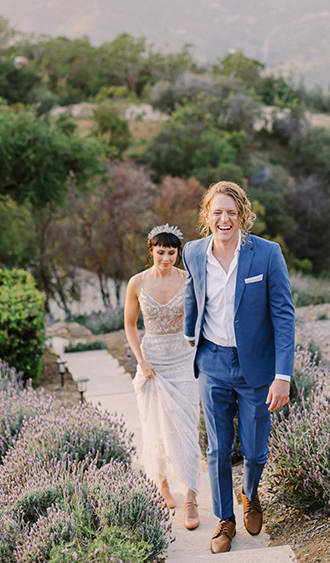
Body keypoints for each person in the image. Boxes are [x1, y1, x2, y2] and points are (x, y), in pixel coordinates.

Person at [183, 181, 295, 554]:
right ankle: (224, 521)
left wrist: (283, 376)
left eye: (231, 212)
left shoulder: (266, 254)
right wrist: (190, 335)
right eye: (217, 212)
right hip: (212, 362)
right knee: (217, 450)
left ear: (242, 214)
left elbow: (283, 316)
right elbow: (192, 294)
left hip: (256, 369)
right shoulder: (194, 252)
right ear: (207, 216)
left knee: (256, 450)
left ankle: (250, 494)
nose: (224, 219)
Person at [124, 223, 201, 531]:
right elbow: (130, 325)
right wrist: (141, 361)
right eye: (161, 252)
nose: (166, 258)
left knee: (186, 427)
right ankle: (164, 484)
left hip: (183, 359)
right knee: (154, 425)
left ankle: (192, 496)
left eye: (172, 252)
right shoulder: (136, 282)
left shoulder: (189, 280)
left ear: (178, 253)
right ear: (151, 251)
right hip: (152, 359)